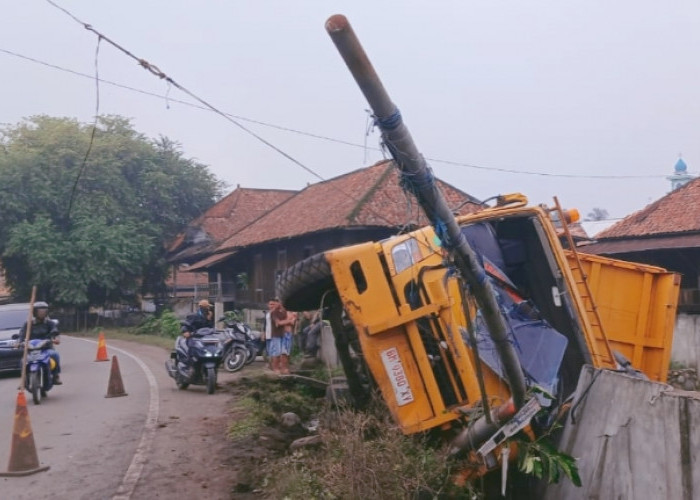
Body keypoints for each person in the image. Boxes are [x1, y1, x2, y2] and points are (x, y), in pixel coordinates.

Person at [19, 301, 62, 385]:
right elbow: (22, 334)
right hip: (31, 349)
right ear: (34, 312)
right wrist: (19, 342)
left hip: (46, 348)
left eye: (44, 311)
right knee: (22, 361)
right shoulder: (28, 324)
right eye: (40, 311)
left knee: (55, 355)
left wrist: (56, 339)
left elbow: (55, 332)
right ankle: (23, 379)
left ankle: (56, 376)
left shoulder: (50, 323)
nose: (42, 313)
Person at [180, 299, 214, 369]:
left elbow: (210, 327)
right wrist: (185, 331)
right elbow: (185, 324)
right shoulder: (193, 315)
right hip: (194, 336)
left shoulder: (207, 316)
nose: (209, 309)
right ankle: (188, 365)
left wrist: (209, 319)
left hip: (204, 337)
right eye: (207, 307)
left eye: (209, 307)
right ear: (202, 307)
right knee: (192, 348)